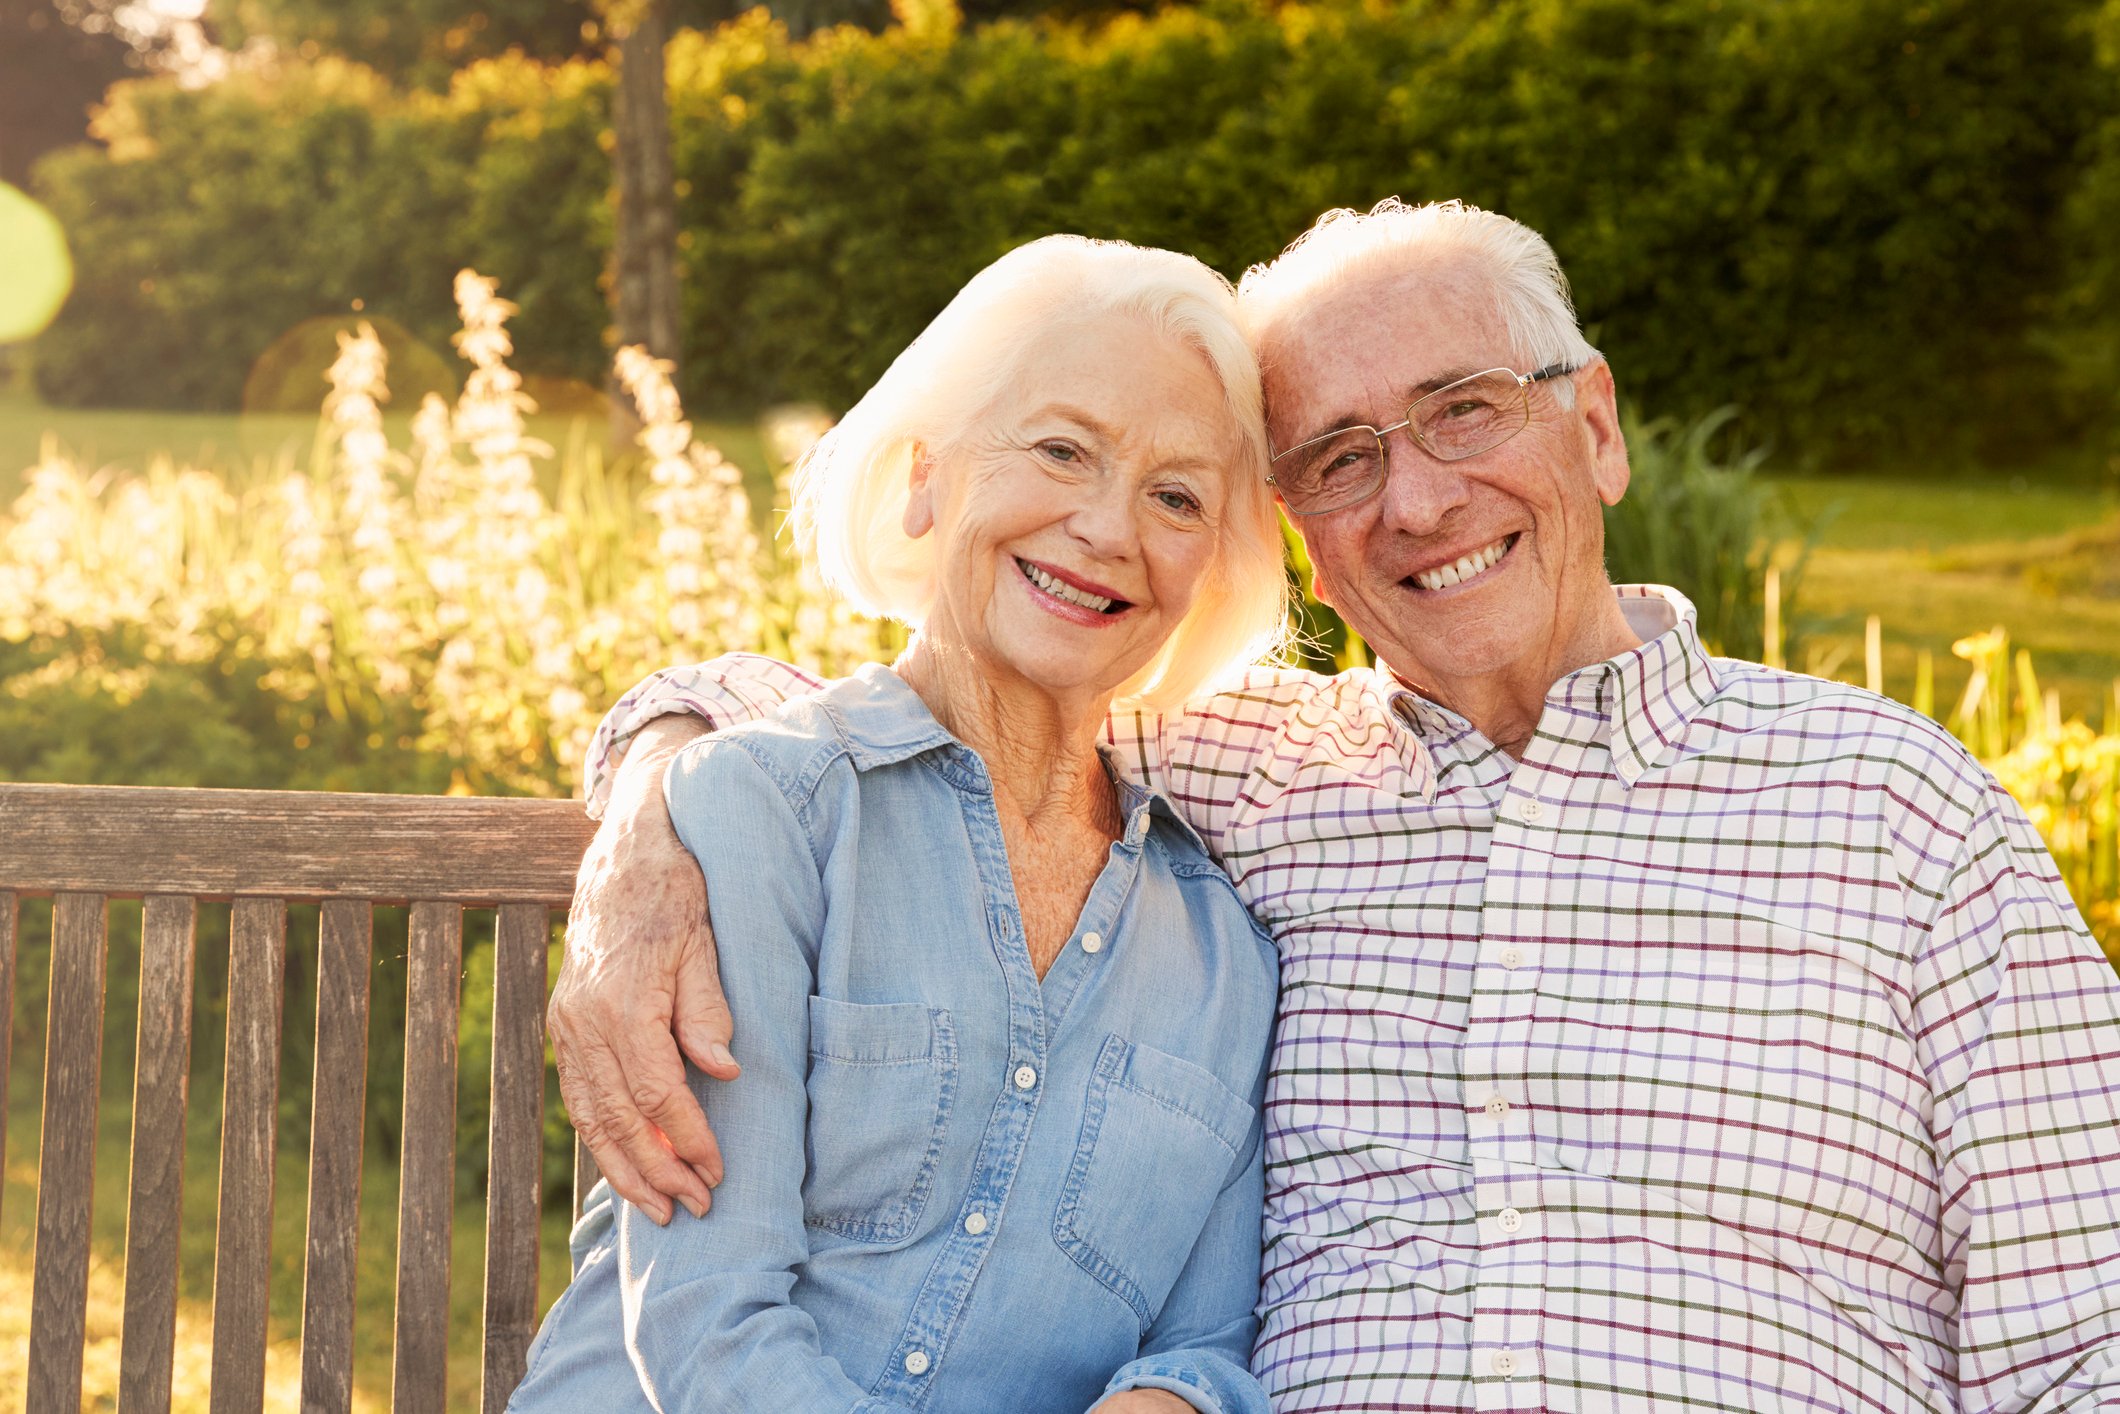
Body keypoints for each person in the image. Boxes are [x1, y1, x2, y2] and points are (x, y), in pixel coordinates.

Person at [556, 200, 2120, 1411]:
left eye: (1464, 412)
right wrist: (647, 821)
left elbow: (2089, 1333)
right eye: (1344, 456)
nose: (1418, 499)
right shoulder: (1254, 774)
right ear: (1297, 531)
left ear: (1594, 422)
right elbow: (924, 703)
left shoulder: (1897, 810)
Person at [511, 235, 1293, 1414]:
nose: (1105, 526)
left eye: (1175, 496)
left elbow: (1203, 1343)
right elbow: (705, 1322)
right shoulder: (767, 809)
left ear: (1210, 569)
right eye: (1061, 449)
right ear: (928, 477)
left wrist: (1177, 1399)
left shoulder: (1223, 950)